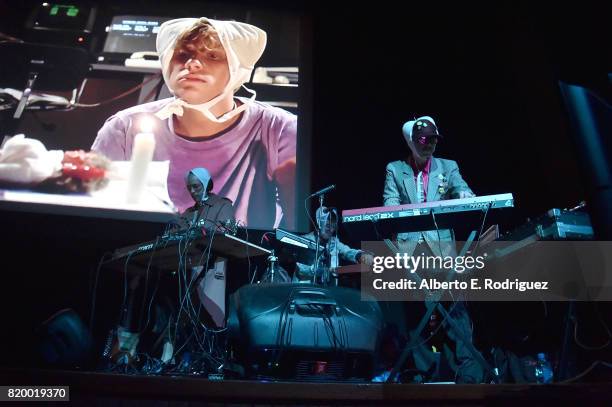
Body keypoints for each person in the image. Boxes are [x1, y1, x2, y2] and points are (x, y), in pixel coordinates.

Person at [92, 17, 297, 230]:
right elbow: (97, 220)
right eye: (183, 54)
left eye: (212, 55)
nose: (192, 63)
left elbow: (304, 230)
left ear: (238, 69)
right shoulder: (123, 128)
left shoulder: (280, 129)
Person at [381, 116, 484, 383]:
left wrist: (463, 194)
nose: (429, 145)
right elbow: (390, 203)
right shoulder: (395, 169)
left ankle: (469, 376)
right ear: (412, 142)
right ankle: (421, 377)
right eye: (424, 140)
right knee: (416, 317)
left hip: (441, 252)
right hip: (411, 252)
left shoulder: (448, 166)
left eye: (434, 139)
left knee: (455, 314)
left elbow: (463, 188)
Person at [281, 206, 374, 284]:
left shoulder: (334, 242)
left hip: (328, 292)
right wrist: (326, 271)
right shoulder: (305, 240)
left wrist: (359, 255)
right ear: (319, 223)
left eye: (333, 226)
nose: (330, 230)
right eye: (327, 226)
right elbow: (302, 269)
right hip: (304, 292)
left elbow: (347, 251)